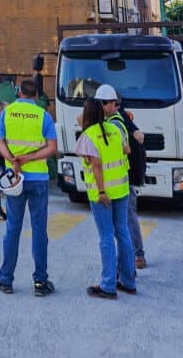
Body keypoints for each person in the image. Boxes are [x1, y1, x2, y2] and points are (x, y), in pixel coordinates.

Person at [0, 79, 58, 297]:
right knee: (39, 230)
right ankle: (40, 282)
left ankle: (6, 280)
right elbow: (52, 148)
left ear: (19, 93)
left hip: (15, 178)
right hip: (38, 178)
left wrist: (13, 159)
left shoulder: (7, 113)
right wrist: (29, 158)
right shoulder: (43, 116)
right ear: (37, 95)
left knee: (13, 228)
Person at [76, 97, 136, 300]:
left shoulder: (88, 136)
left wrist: (101, 192)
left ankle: (108, 285)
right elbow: (127, 150)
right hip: (122, 189)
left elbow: (96, 166)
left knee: (106, 237)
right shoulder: (115, 129)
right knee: (123, 233)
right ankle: (128, 281)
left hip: (102, 195)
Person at [95, 84, 147, 270]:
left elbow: (131, 144)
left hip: (125, 177)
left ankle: (136, 256)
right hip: (123, 177)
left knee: (126, 221)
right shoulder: (117, 119)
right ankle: (129, 262)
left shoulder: (117, 121)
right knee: (123, 223)